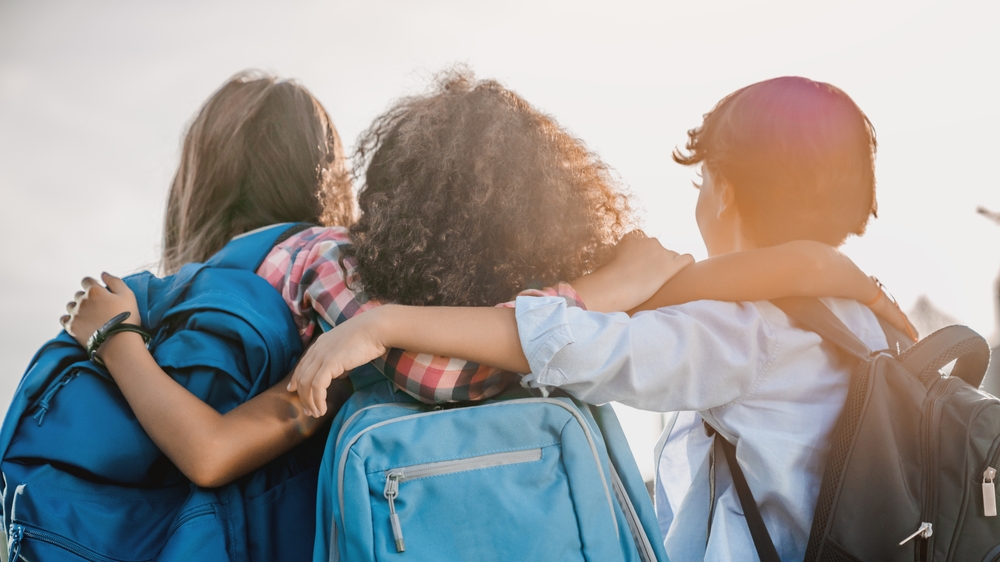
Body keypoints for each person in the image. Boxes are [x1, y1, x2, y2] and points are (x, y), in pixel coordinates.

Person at [66, 71, 904, 495]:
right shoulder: (341, 274)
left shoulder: (303, 274)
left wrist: (114, 335)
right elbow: (527, 343)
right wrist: (823, 267)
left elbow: (472, 358)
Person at [288, 76, 909, 561]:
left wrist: (383, 323)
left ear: (720, 191)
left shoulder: (743, 333)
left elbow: (558, 342)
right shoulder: (862, 323)